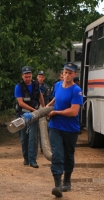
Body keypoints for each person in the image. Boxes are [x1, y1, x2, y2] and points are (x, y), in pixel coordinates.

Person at [46, 62, 83, 197]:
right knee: (57, 154)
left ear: (75, 74)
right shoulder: (57, 85)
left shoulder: (76, 90)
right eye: (65, 72)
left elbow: (74, 112)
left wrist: (56, 112)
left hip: (70, 129)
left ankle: (67, 181)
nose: (67, 75)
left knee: (68, 155)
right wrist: (45, 108)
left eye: (70, 73)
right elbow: (56, 99)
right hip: (55, 126)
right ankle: (57, 186)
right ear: (62, 73)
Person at [14, 66, 45, 168]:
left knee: (33, 138)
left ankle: (33, 160)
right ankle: (26, 158)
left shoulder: (36, 84)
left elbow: (40, 95)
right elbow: (21, 103)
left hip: (34, 115)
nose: (28, 78)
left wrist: (43, 108)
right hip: (22, 115)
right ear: (22, 76)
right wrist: (33, 110)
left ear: (32, 75)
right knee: (24, 138)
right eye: (26, 76)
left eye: (29, 76)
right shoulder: (18, 87)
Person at [36, 70, 50, 153]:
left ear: (44, 78)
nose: (41, 78)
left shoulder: (46, 87)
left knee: (43, 127)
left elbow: (46, 99)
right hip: (34, 107)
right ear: (37, 77)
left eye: (42, 77)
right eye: (39, 76)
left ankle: (42, 147)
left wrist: (45, 109)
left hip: (42, 107)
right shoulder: (33, 85)